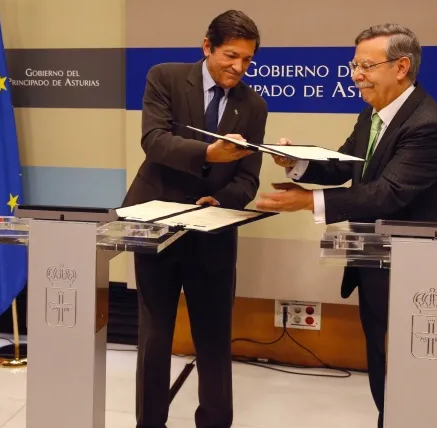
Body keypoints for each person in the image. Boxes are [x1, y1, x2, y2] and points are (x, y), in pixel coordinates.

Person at [255, 24, 437, 427]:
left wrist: (307, 202)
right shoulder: (373, 113)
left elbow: (387, 193)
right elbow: (346, 165)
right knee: (381, 364)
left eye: (366, 66)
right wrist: (295, 162)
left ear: (402, 67)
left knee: (409, 372)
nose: (355, 75)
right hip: (375, 266)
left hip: (417, 276)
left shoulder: (429, 125)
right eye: (354, 65)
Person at [121, 10, 268, 428]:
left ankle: (215, 421)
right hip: (157, 227)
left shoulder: (253, 106)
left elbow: (248, 179)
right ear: (207, 47)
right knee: (154, 338)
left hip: (213, 236)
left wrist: (220, 199)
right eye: (230, 56)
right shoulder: (165, 77)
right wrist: (207, 153)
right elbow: (154, 140)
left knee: (214, 339)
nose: (237, 68)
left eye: (246, 60)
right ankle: (150, 422)